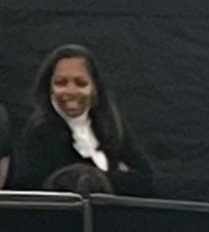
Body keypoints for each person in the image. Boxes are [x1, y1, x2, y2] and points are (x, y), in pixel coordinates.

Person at [9, 47, 153, 198]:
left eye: (80, 83)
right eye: (61, 83)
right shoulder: (40, 132)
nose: (70, 91)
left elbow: (147, 182)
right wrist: (118, 175)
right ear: (49, 87)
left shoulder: (112, 124)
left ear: (94, 88)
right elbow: (65, 188)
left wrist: (97, 177)